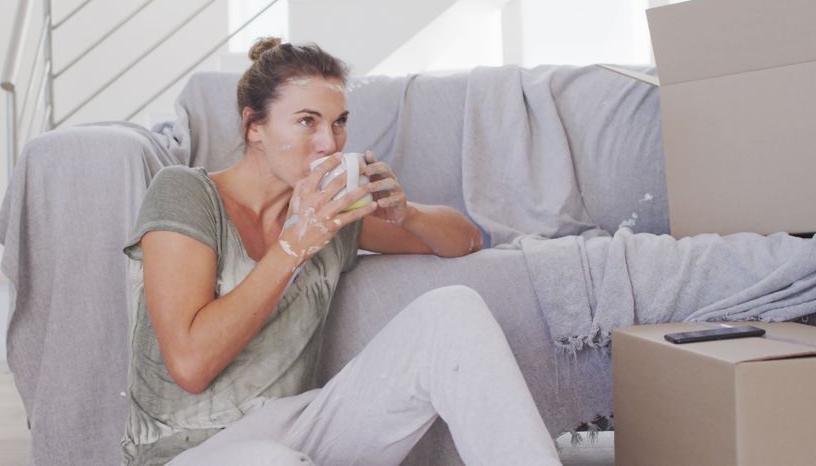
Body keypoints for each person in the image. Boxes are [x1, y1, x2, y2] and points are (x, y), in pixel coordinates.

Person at [120, 38, 561, 466]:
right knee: (270, 460)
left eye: (339, 122)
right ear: (254, 126)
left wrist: (406, 213)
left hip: (297, 428)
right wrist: (294, 246)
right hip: (185, 451)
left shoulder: (332, 217)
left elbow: (467, 240)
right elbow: (190, 365)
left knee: (452, 310)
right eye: (307, 121)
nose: (330, 143)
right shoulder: (186, 192)